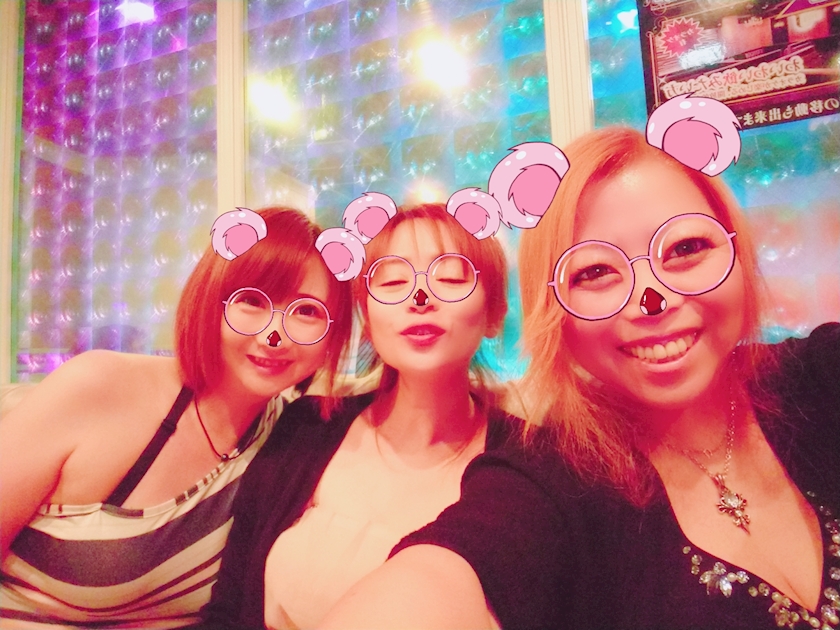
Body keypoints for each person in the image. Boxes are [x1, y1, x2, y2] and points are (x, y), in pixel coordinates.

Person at [319, 128, 840, 630]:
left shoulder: (820, 373)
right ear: (554, 312)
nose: (652, 299)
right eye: (594, 272)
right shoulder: (548, 477)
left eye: (685, 248)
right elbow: (450, 570)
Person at [0, 207, 352, 629]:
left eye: (307, 311)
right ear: (210, 300)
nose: (273, 336)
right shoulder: (99, 386)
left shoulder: (292, 437)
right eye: (251, 301)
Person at [200, 203, 516, 629]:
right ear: (367, 319)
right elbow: (229, 610)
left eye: (450, 278)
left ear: (495, 313)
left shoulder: (531, 464)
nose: (420, 298)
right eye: (394, 281)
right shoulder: (305, 428)